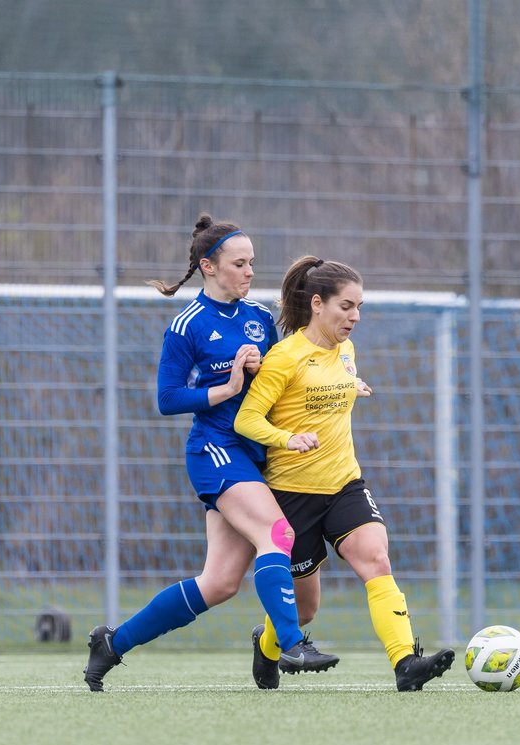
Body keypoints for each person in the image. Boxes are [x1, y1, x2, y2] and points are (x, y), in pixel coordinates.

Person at [82, 214, 339, 691]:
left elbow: (286, 381)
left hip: (257, 454)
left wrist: (332, 383)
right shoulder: (188, 325)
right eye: (239, 264)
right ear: (209, 266)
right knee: (276, 533)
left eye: (252, 263)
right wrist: (227, 387)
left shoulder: (260, 318)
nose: (248, 272)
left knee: (218, 583)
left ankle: (112, 644)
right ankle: (290, 644)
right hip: (216, 451)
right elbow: (167, 398)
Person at [234, 255, 455, 692]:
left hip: (344, 484)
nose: (355, 317)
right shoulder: (284, 357)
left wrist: (352, 386)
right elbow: (247, 420)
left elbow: (331, 380)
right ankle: (268, 645)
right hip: (293, 493)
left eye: (359, 308)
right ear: (318, 304)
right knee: (304, 610)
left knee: (376, 558)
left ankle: (405, 663)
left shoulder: (346, 351)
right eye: (346, 307)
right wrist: (286, 438)